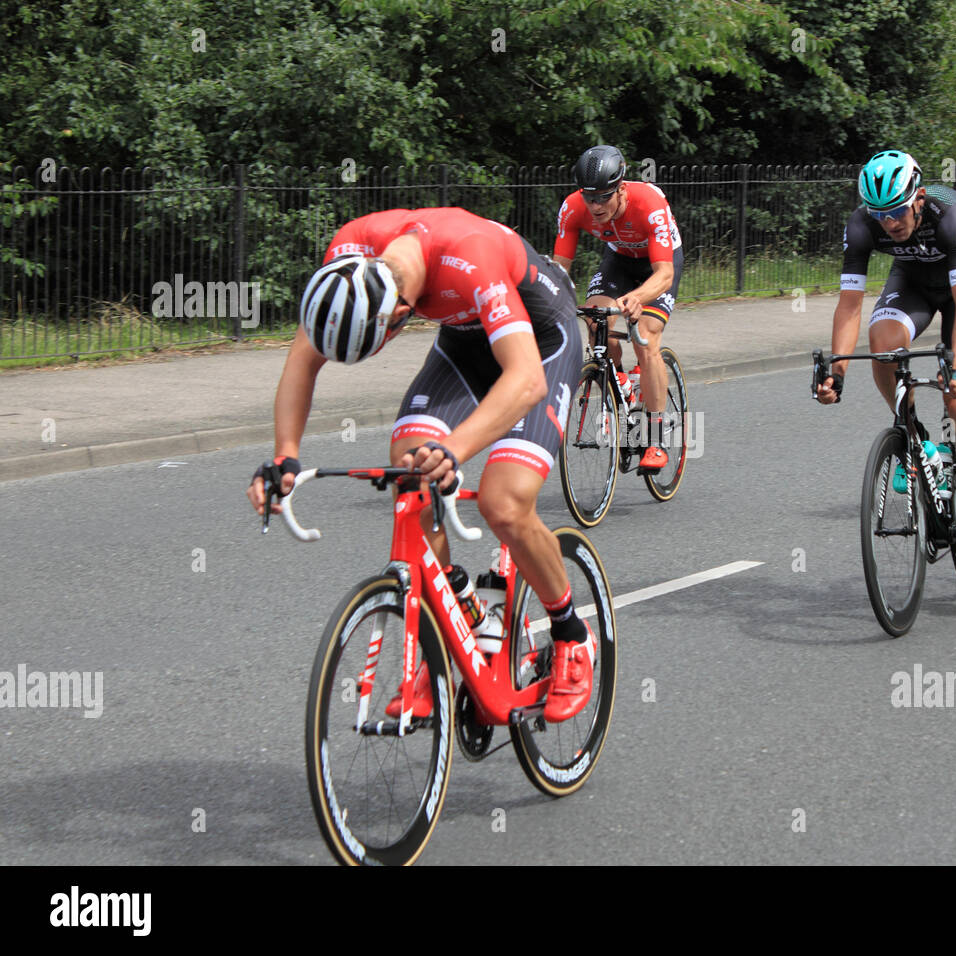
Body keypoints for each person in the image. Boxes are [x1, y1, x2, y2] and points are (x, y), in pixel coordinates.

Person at [246, 207, 593, 723]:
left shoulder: (468, 255)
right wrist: (284, 455)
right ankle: (454, 615)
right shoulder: (350, 255)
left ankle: (571, 635)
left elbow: (525, 381)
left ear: (400, 313)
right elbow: (303, 356)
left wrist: (453, 448)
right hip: (465, 339)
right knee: (409, 469)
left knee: (504, 502)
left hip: (540, 342)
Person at [815, 149, 956, 577]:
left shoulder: (949, 214)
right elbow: (849, 305)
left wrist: (955, 362)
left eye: (897, 210)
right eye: (880, 214)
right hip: (912, 282)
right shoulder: (863, 225)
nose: (890, 223)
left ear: (917, 198)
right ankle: (917, 440)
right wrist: (837, 369)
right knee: (882, 344)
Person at [552, 145, 684, 473]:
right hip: (619, 262)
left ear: (621, 189)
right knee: (597, 320)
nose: (595, 206)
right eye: (589, 197)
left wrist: (639, 297)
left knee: (646, 338)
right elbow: (558, 270)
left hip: (658, 266)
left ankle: (654, 439)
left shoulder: (649, 204)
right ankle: (619, 381)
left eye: (603, 197)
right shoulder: (572, 208)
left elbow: (664, 274)